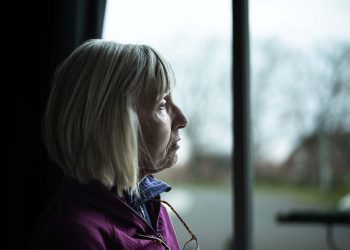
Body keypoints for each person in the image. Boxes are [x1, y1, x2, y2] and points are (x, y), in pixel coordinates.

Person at [31, 39, 198, 250]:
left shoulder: (154, 207)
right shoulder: (74, 233)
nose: (182, 119)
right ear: (115, 123)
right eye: (163, 104)